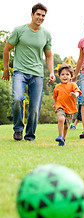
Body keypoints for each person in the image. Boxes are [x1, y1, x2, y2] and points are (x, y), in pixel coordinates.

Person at [2, 3, 56, 141]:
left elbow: (49, 55)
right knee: (17, 99)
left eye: (43, 15)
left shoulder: (46, 34)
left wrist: (51, 72)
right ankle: (18, 129)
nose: (40, 17)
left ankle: (30, 135)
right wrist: (7, 69)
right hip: (20, 72)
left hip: (37, 74)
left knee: (35, 108)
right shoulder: (19, 30)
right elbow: (7, 49)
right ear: (32, 15)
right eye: (38, 14)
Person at [53, 63, 82, 146]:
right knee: (61, 119)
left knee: (66, 126)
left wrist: (75, 95)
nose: (65, 76)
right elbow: (55, 97)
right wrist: (55, 106)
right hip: (60, 107)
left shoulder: (73, 85)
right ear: (59, 76)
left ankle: (63, 139)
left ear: (71, 76)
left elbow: (77, 92)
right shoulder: (57, 87)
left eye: (67, 74)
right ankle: (60, 135)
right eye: (62, 74)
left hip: (70, 109)